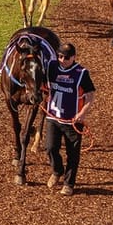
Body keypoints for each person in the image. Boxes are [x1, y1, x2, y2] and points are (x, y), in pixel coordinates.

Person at [43, 42, 95, 196]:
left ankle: (68, 184)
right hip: (53, 117)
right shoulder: (51, 67)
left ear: (73, 57)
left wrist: (83, 113)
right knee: (50, 148)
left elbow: (91, 95)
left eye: (66, 57)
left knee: (73, 154)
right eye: (59, 56)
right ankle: (57, 171)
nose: (62, 60)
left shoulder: (81, 73)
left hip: (72, 121)